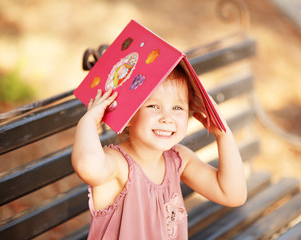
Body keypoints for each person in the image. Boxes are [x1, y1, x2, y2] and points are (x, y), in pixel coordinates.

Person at [71, 65, 247, 239]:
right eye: (154, 106)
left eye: (177, 108)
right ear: (129, 114)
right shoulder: (118, 165)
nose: (167, 118)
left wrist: (223, 135)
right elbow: (87, 167)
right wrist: (89, 121)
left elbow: (232, 194)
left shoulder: (178, 159)